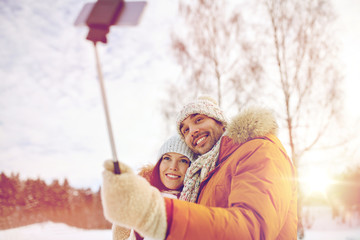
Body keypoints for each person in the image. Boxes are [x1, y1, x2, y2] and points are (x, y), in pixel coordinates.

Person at [102, 96, 298, 240]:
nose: (192, 131)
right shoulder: (205, 175)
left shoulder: (259, 149)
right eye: (185, 130)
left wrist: (157, 215)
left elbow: (253, 229)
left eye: (199, 120)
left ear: (221, 123)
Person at [109, 135, 194, 240]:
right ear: (159, 163)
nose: (173, 167)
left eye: (183, 160)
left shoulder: (197, 198)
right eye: (167, 158)